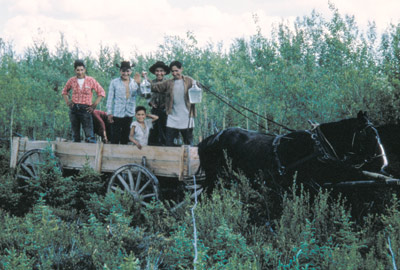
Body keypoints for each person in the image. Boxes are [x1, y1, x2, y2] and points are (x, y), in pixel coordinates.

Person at [146, 60, 198, 146]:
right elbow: (155, 87)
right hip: (172, 117)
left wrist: (198, 85)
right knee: (169, 143)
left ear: (181, 69)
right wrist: (144, 81)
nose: (174, 73)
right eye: (172, 71)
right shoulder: (169, 82)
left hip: (187, 117)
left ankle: (189, 159)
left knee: (188, 143)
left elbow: (198, 91)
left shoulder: (190, 81)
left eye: (176, 70)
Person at [62, 59, 105, 143]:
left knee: (89, 134)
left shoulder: (91, 80)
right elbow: (64, 91)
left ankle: (91, 153)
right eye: (78, 70)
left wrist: (94, 105)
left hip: (86, 109)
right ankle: (77, 153)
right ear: (75, 70)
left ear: (84, 70)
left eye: (82, 70)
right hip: (74, 109)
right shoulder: (71, 80)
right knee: (75, 134)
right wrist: (68, 102)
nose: (80, 72)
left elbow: (101, 92)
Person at [106, 61, 142, 144]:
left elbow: (141, 94)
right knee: (115, 137)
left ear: (131, 71)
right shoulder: (114, 82)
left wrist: (139, 84)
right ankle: (113, 155)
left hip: (129, 113)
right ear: (120, 71)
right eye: (123, 71)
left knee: (126, 137)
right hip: (117, 113)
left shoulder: (134, 82)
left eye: (127, 71)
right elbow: (110, 98)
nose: (125, 73)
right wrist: (109, 113)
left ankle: (123, 155)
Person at [147, 61, 170, 146]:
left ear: (164, 72)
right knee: (153, 133)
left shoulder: (169, 82)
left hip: (166, 112)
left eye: (161, 71)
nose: (159, 73)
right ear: (154, 72)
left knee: (165, 133)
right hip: (155, 111)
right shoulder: (150, 83)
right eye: (157, 71)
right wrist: (150, 102)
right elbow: (147, 95)